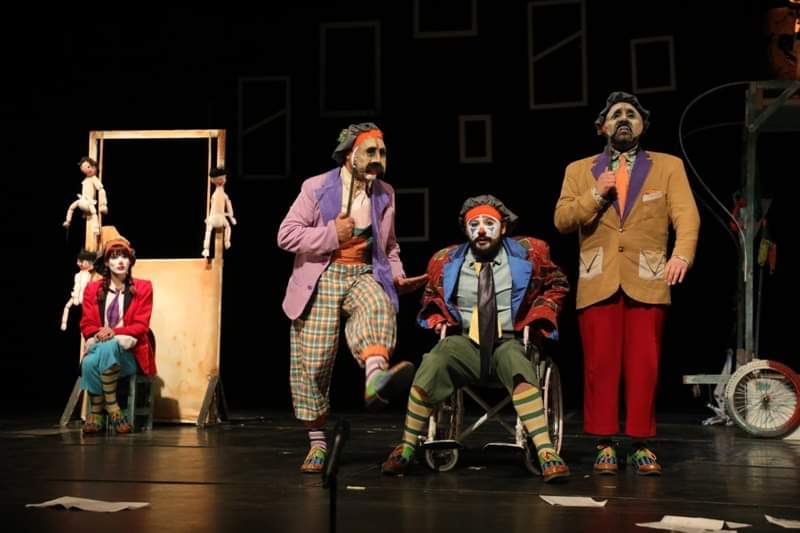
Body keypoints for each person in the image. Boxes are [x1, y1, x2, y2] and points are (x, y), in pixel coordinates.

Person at [554, 91, 700, 475]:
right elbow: (563, 220)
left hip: (648, 276)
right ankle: (603, 441)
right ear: (602, 127)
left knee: (644, 365)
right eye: (616, 114)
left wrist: (681, 255)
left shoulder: (667, 166)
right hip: (598, 276)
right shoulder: (579, 170)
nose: (624, 119)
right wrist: (594, 193)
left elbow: (687, 216)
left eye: (631, 115)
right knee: (599, 365)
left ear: (643, 126)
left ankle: (640, 442)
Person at [381, 195, 571, 482]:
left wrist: (540, 313)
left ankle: (545, 451)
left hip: (508, 341)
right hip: (466, 343)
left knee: (518, 365)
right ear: (466, 229)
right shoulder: (445, 260)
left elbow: (558, 283)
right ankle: (406, 446)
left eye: (489, 223)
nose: (481, 230)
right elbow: (431, 294)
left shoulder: (530, 252)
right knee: (434, 360)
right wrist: (438, 317)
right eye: (474, 224)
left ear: (503, 227)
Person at [278, 122, 427, 473]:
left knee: (377, 305)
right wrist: (332, 233)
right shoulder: (316, 187)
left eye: (382, 152)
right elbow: (286, 235)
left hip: (362, 272)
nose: (378, 159)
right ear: (349, 155)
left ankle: (375, 379)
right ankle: (317, 442)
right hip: (322, 274)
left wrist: (397, 275)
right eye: (371, 152)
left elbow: (389, 247)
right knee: (313, 361)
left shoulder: (385, 193)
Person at [79, 234, 155, 434]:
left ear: (130, 261)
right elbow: (86, 324)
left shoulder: (144, 287)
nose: (120, 261)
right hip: (102, 351)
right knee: (88, 362)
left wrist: (113, 332)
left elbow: (141, 325)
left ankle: (102, 410)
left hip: (128, 356)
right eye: (114, 257)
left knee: (108, 346)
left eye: (124, 257)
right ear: (106, 262)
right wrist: (99, 332)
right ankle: (109, 410)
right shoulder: (92, 289)